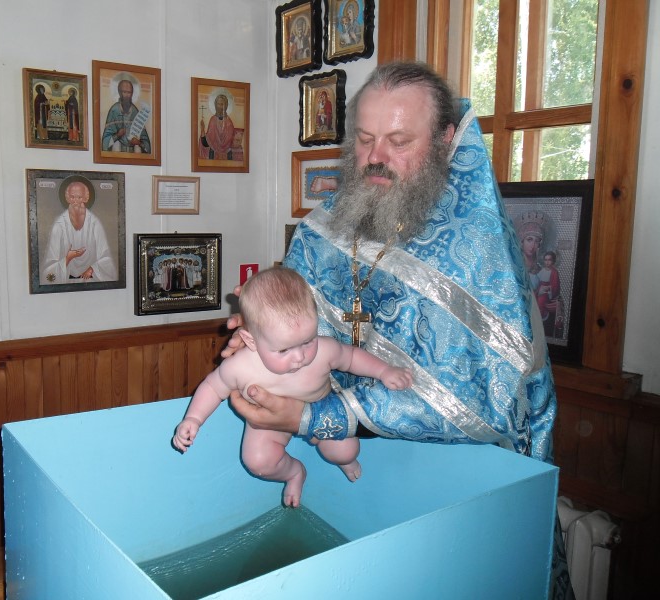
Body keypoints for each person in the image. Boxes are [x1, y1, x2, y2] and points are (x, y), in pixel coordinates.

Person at [224, 62, 572, 598]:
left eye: (399, 141)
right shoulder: (325, 226)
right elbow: (300, 317)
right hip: (364, 484)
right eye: (364, 140)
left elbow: (484, 403)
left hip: (463, 493)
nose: (376, 157)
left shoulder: (479, 253)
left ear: (445, 139)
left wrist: (314, 416)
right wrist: (260, 337)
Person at [173, 266, 412, 508]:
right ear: (250, 341)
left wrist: (384, 371)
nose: (299, 357)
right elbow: (213, 387)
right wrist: (194, 419)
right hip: (268, 422)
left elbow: (351, 358)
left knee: (345, 451)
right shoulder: (239, 367)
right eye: (284, 350)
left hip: (321, 412)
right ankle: (294, 473)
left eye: (308, 341)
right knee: (257, 462)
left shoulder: (324, 350)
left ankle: (344, 461)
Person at [41, 176, 117, 283]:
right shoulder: (59, 225)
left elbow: (106, 257)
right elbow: (49, 266)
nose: (76, 201)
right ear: (67, 198)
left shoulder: (95, 224)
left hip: (91, 281)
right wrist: (68, 257)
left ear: (86, 198)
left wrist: (92, 269)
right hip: (65, 282)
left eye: (79, 197)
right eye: (72, 197)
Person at [102, 79, 151, 153]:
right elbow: (105, 142)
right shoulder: (114, 110)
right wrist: (118, 135)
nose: (127, 95)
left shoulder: (135, 111)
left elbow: (146, 143)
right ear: (119, 92)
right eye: (124, 92)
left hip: (133, 154)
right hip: (116, 153)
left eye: (129, 92)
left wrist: (139, 143)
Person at [199, 93, 237, 161]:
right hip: (213, 156)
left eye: (222, 104)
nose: (219, 106)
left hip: (227, 157)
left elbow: (232, 142)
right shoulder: (213, 121)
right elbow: (207, 143)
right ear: (215, 105)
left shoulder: (229, 123)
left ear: (226, 106)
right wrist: (202, 129)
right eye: (218, 104)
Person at [537, 250, 564, 337]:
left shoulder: (554, 272)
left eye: (549, 260)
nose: (547, 262)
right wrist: (539, 289)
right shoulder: (541, 271)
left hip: (548, 295)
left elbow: (556, 287)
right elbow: (537, 283)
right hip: (540, 293)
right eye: (546, 260)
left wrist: (548, 288)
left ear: (553, 261)